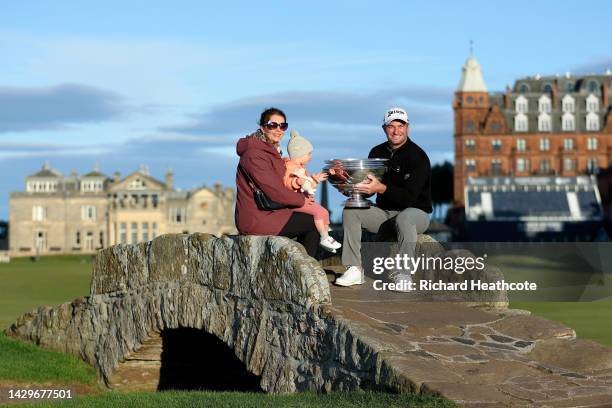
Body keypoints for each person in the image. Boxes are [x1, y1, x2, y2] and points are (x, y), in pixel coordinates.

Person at [335, 107, 432, 288]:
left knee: (405, 217)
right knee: (351, 208)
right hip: (384, 214)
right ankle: (354, 269)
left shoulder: (418, 156)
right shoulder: (376, 152)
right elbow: (370, 186)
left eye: (400, 126)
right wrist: (351, 187)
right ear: (384, 129)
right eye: (391, 126)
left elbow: (409, 199)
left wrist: (381, 188)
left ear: (408, 127)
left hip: (416, 214)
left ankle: (404, 274)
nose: (396, 130)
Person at [235, 107, 320, 257]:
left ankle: (300, 269)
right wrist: (302, 201)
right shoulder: (254, 154)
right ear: (262, 127)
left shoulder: (271, 151)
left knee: (312, 216)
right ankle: (307, 272)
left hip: (271, 211)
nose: (278, 129)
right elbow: (274, 190)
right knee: (312, 222)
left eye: (283, 126)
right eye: (272, 125)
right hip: (258, 218)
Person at [283, 130, 342, 253]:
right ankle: (324, 237)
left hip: (301, 199)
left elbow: (307, 185)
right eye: (308, 154)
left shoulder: (300, 168)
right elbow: (288, 183)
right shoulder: (290, 168)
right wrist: (297, 182)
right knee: (319, 212)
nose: (311, 156)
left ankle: (326, 234)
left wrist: (318, 178)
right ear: (299, 153)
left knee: (323, 211)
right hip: (295, 202)